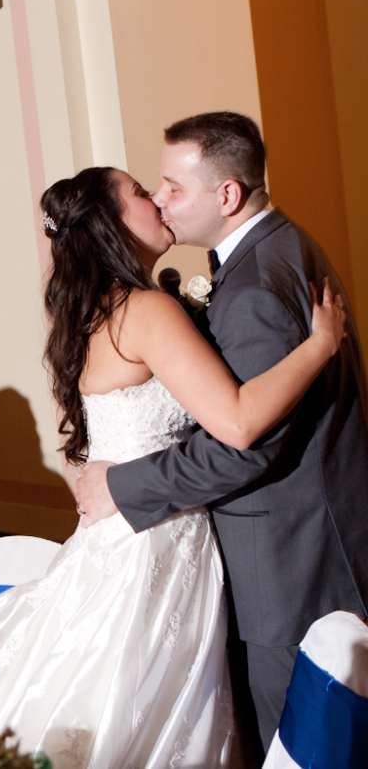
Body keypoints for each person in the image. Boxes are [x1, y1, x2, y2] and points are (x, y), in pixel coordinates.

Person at [0, 164, 347, 768]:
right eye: (141, 193)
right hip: (156, 538)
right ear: (110, 223)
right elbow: (235, 422)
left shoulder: (95, 310)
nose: (158, 201)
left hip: (121, 526)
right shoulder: (148, 310)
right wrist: (319, 345)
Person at [76, 112, 368, 758]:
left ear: (227, 194)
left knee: (292, 745)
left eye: (172, 187)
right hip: (310, 540)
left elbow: (245, 444)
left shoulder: (254, 287)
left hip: (289, 564)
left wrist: (123, 485)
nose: (160, 199)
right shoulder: (282, 247)